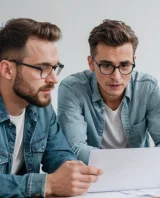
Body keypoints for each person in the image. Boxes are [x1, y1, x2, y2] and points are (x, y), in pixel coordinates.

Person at [0, 18, 102, 197]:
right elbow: (48, 184)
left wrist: (73, 172)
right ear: (7, 70)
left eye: (54, 68)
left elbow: (59, 155)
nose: (54, 79)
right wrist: (46, 184)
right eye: (42, 68)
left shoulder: (41, 108)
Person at [57, 19, 160, 164]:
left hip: (139, 176)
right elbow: (75, 149)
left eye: (124, 65)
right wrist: (129, 163)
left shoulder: (148, 88)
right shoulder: (72, 89)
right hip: (92, 177)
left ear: (133, 61)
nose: (116, 77)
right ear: (91, 63)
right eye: (107, 65)